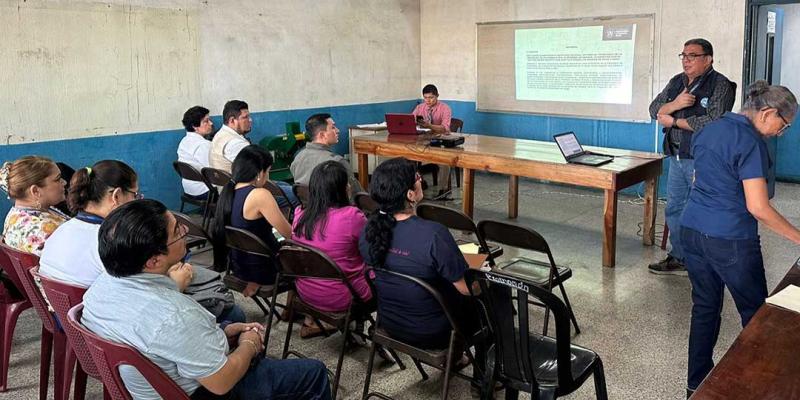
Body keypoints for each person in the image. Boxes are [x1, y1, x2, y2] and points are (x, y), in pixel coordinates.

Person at [82, 199, 331, 400]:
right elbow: (221, 382)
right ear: (153, 261)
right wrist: (250, 343)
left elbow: (170, 342)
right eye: (177, 232)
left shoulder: (99, 288)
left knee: (235, 325)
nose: (186, 230)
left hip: (150, 386)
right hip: (199, 391)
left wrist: (223, 332)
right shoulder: (173, 314)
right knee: (313, 373)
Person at [681, 81, 799, 397]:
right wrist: (797, 237)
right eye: (783, 125)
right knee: (758, 317)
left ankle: (695, 385)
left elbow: (699, 179)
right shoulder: (751, 142)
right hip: (730, 240)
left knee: (704, 307)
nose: (780, 132)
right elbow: (758, 207)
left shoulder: (709, 129)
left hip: (691, 231)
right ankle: (760, 389)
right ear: (768, 113)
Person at [39, 161, 245, 323]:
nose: (138, 200)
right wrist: (176, 284)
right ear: (117, 196)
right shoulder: (113, 241)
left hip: (69, 320)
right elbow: (144, 297)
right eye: (135, 194)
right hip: (106, 324)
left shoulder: (62, 229)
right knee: (232, 313)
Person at [359, 157, 485, 379]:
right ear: (410, 194)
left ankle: (456, 358)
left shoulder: (369, 230)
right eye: (418, 177)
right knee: (494, 299)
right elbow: (467, 289)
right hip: (434, 332)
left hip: (391, 322)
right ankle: (484, 379)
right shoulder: (434, 234)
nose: (421, 180)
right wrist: (484, 275)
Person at [648, 38, 736, 275]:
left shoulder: (720, 85)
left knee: (703, 210)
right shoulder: (677, 82)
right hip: (677, 155)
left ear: (708, 59)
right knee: (675, 208)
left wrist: (675, 120)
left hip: (702, 158)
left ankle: (705, 259)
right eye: (684, 55)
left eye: (692, 56)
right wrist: (675, 103)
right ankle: (681, 257)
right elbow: (653, 109)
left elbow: (715, 120)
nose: (686, 60)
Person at [292, 161, 372, 337]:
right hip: (342, 296)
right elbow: (372, 251)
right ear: (343, 189)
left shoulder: (300, 214)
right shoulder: (352, 216)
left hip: (306, 291)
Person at [214, 145, 291, 297]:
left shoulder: (228, 192)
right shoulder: (259, 195)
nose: (268, 177)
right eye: (268, 171)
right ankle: (296, 313)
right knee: (307, 258)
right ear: (258, 173)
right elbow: (289, 234)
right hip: (266, 269)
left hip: (239, 267)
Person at [210, 100, 298, 208]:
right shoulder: (234, 143)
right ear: (232, 120)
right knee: (298, 196)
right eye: (245, 117)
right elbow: (258, 171)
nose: (250, 120)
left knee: (286, 185)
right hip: (243, 197)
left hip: (229, 191)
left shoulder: (220, 135)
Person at [0, 156, 68, 256]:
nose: (65, 182)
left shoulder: (15, 215)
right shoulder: (47, 230)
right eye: (57, 179)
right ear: (35, 191)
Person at [290, 113, 363, 197]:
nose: (338, 130)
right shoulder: (337, 162)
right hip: (332, 209)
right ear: (322, 135)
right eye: (333, 127)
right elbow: (357, 196)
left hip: (308, 208)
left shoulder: (298, 157)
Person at [412, 84, 454, 200]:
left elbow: (445, 128)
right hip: (423, 140)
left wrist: (429, 125)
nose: (428, 100)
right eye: (425, 98)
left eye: (431, 97)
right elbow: (411, 121)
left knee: (444, 161)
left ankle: (443, 190)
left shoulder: (445, 108)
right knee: (409, 157)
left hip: (441, 140)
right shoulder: (420, 108)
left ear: (437, 96)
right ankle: (419, 183)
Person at [178, 106, 214, 200]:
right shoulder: (203, 145)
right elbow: (213, 170)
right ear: (195, 126)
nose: (211, 123)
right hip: (203, 190)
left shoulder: (184, 141)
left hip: (189, 188)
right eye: (206, 121)